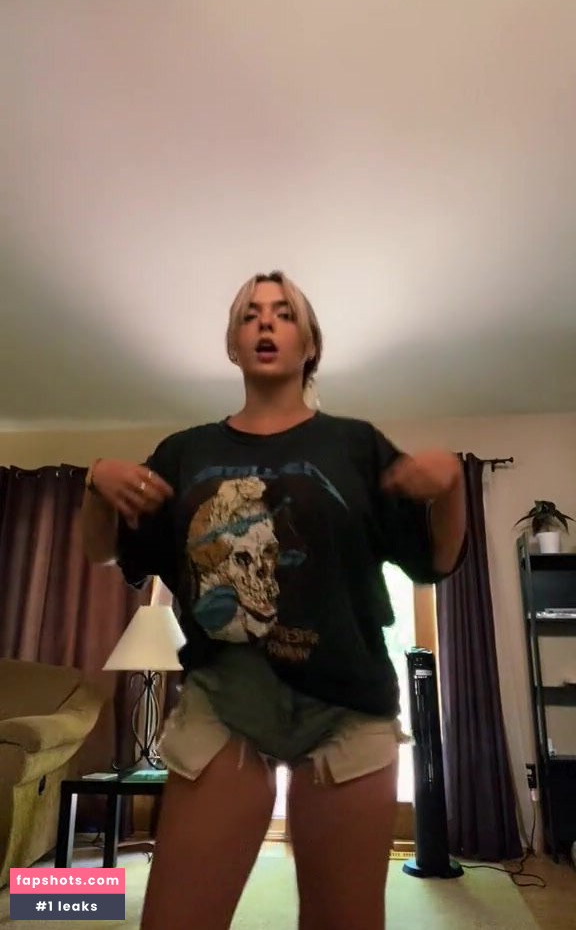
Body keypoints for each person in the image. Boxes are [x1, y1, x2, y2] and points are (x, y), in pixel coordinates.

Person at [82, 270, 466, 930]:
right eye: (250, 314)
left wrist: (453, 483)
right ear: (232, 344)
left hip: (347, 709)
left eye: (284, 313)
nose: (265, 322)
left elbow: (434, 561)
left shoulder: (356, 444)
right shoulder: (185, 452)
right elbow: (105, 553)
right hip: (224, 702)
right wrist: (94, 483)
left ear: (309, 343)